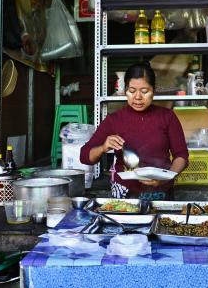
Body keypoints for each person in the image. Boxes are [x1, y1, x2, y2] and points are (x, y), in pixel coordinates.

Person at [80, 62, 188, 200]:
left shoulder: (167, 117)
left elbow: (181, 156)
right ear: (125, 90)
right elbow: (85, 156)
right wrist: (103, 147)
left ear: (154, 91)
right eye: (132, 91)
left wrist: (166, 177)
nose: (137, 97)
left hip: (161, 190)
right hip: (125, 191)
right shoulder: (114, 120)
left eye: (144, 91)